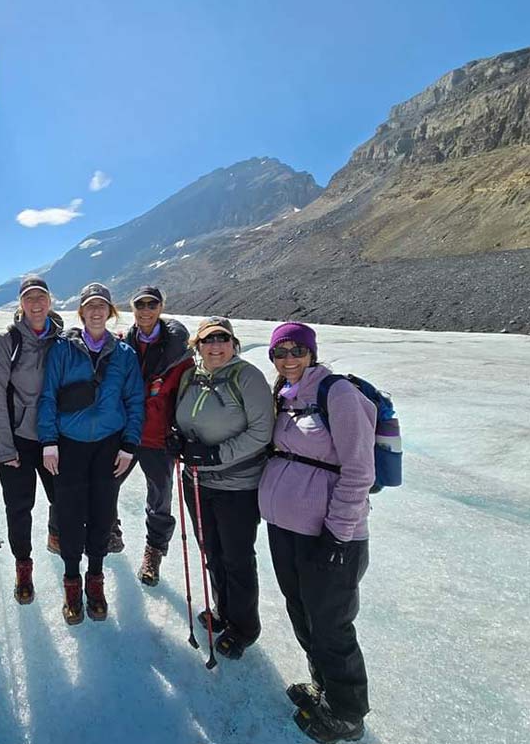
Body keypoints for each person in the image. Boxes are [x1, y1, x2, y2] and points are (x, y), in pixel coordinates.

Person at [258, 322, 375, 743]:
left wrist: (339, 534)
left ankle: (347, 713)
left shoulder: (338, 394)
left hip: (330, 533)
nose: (288, 359)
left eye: (297, 350)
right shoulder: (285, 395)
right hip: (286, 528)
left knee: (331, 623)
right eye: (279, 352)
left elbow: (360, 470)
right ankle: (324, 687)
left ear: (312, 352)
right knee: (301, 610)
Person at [38, 283, 144, 624]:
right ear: (81, 312)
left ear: (110, 312)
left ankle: (95, 580)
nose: (96, 311)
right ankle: (72, 580)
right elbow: (49, 396)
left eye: (102, 306)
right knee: (68, 513)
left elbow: (135, 400)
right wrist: (48, 441)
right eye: (90, 306)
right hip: (69, 444)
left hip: (108, 444)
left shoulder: (124, 354)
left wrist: (129, 444)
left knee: (102, 511)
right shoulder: (62, 350)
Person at [171, 317, 273, 660]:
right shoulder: (191, 376)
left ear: (233, 344)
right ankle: (223, 611)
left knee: (237, 557)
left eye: (222, 340)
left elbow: (262, 432)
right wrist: (178, 439)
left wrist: (216, 454)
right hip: (198, 481)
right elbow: (184, 419)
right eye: (207, 340)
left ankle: (244, 628)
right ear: (197, 346)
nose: (215, 347)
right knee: (212, 551)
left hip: (237, 485)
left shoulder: (247, 377)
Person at [0, 276, 64, 604]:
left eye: (41, 297)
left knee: (63, 498)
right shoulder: (8, 341)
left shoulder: (62, 341)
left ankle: (56, 533)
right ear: (21, 303)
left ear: (50, 301)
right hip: (18, 438)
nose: (35, 304)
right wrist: (5, 448)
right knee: (19, 507)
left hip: (53, 438)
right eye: (29, 298)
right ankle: (23, 566)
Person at [112, 286, 193, 585]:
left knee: (159, 496)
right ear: (131, 308)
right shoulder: (123, 344)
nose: (146, 309)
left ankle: (154, 550)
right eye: (140, 304)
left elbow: (186, 393)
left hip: (159, 436)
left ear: (161, 306)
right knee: (108, 482)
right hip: (127, 432)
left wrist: (181, 430)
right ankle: (110, 530)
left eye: (152, 304)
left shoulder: (179, 351)